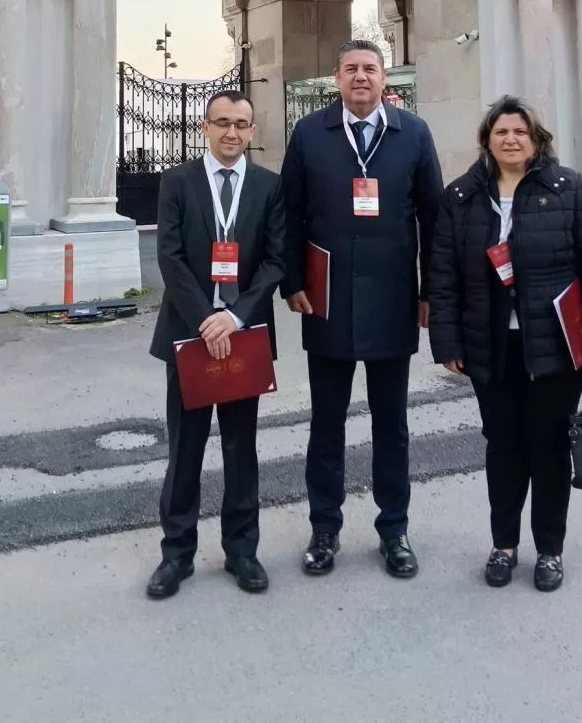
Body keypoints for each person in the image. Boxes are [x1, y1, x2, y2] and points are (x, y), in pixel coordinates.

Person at [428, 95, 582, 593]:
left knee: (550, 446)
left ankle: (550, 550)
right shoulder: (461, 197)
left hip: (558, 346)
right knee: (503, 446)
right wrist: (447, 341)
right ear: (487, 141)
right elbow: (443, 278)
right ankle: (504, 545)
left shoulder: (569, 189)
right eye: (501, 132)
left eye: (520, 132)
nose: (510, 139)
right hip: (490, 349)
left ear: (536, 140)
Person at [280, 39, 442, 579]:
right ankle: (324, 529)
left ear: (384, 76)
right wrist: (292, 281)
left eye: (369, 69)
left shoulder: (413, 133)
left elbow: (435, 220)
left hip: (394, 301)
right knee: (326, 425)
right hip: (326, 302)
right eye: (350, 69)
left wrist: (430, 292)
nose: (360, 77)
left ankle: (394, 529)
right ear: (336, 77)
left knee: (391, 426)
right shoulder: (309, 134)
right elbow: (290, 213)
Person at [146, 90, 285, 600]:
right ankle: (176, 555)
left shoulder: (269, 187)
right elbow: (170, 257)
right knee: (185, 450)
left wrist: (235, 315)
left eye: (241, 124)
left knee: (240, 448)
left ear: (252, 131)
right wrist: (207, 318)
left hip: (244, 336)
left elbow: (275, 260)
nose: (232, 133)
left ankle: (242, 550)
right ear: (205, 127)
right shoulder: (178, 182)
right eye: (222, 123)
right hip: (190, 333)